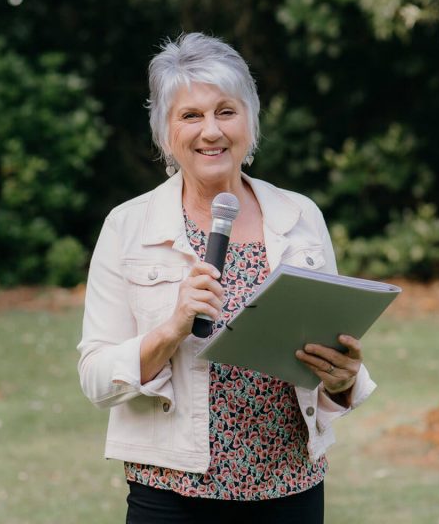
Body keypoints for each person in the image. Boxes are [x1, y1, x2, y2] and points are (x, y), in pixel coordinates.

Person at [77, 33, 376, 524]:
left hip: (291, 488)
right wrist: (172, 328)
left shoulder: (301, 216)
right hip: (172, 494)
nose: (210, 131)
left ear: (250, 122)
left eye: (226, 111)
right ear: (165, 133)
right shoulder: (128, 226)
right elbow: (95, 380)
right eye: (190, 116)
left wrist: (343, 381)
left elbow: (328, 350)